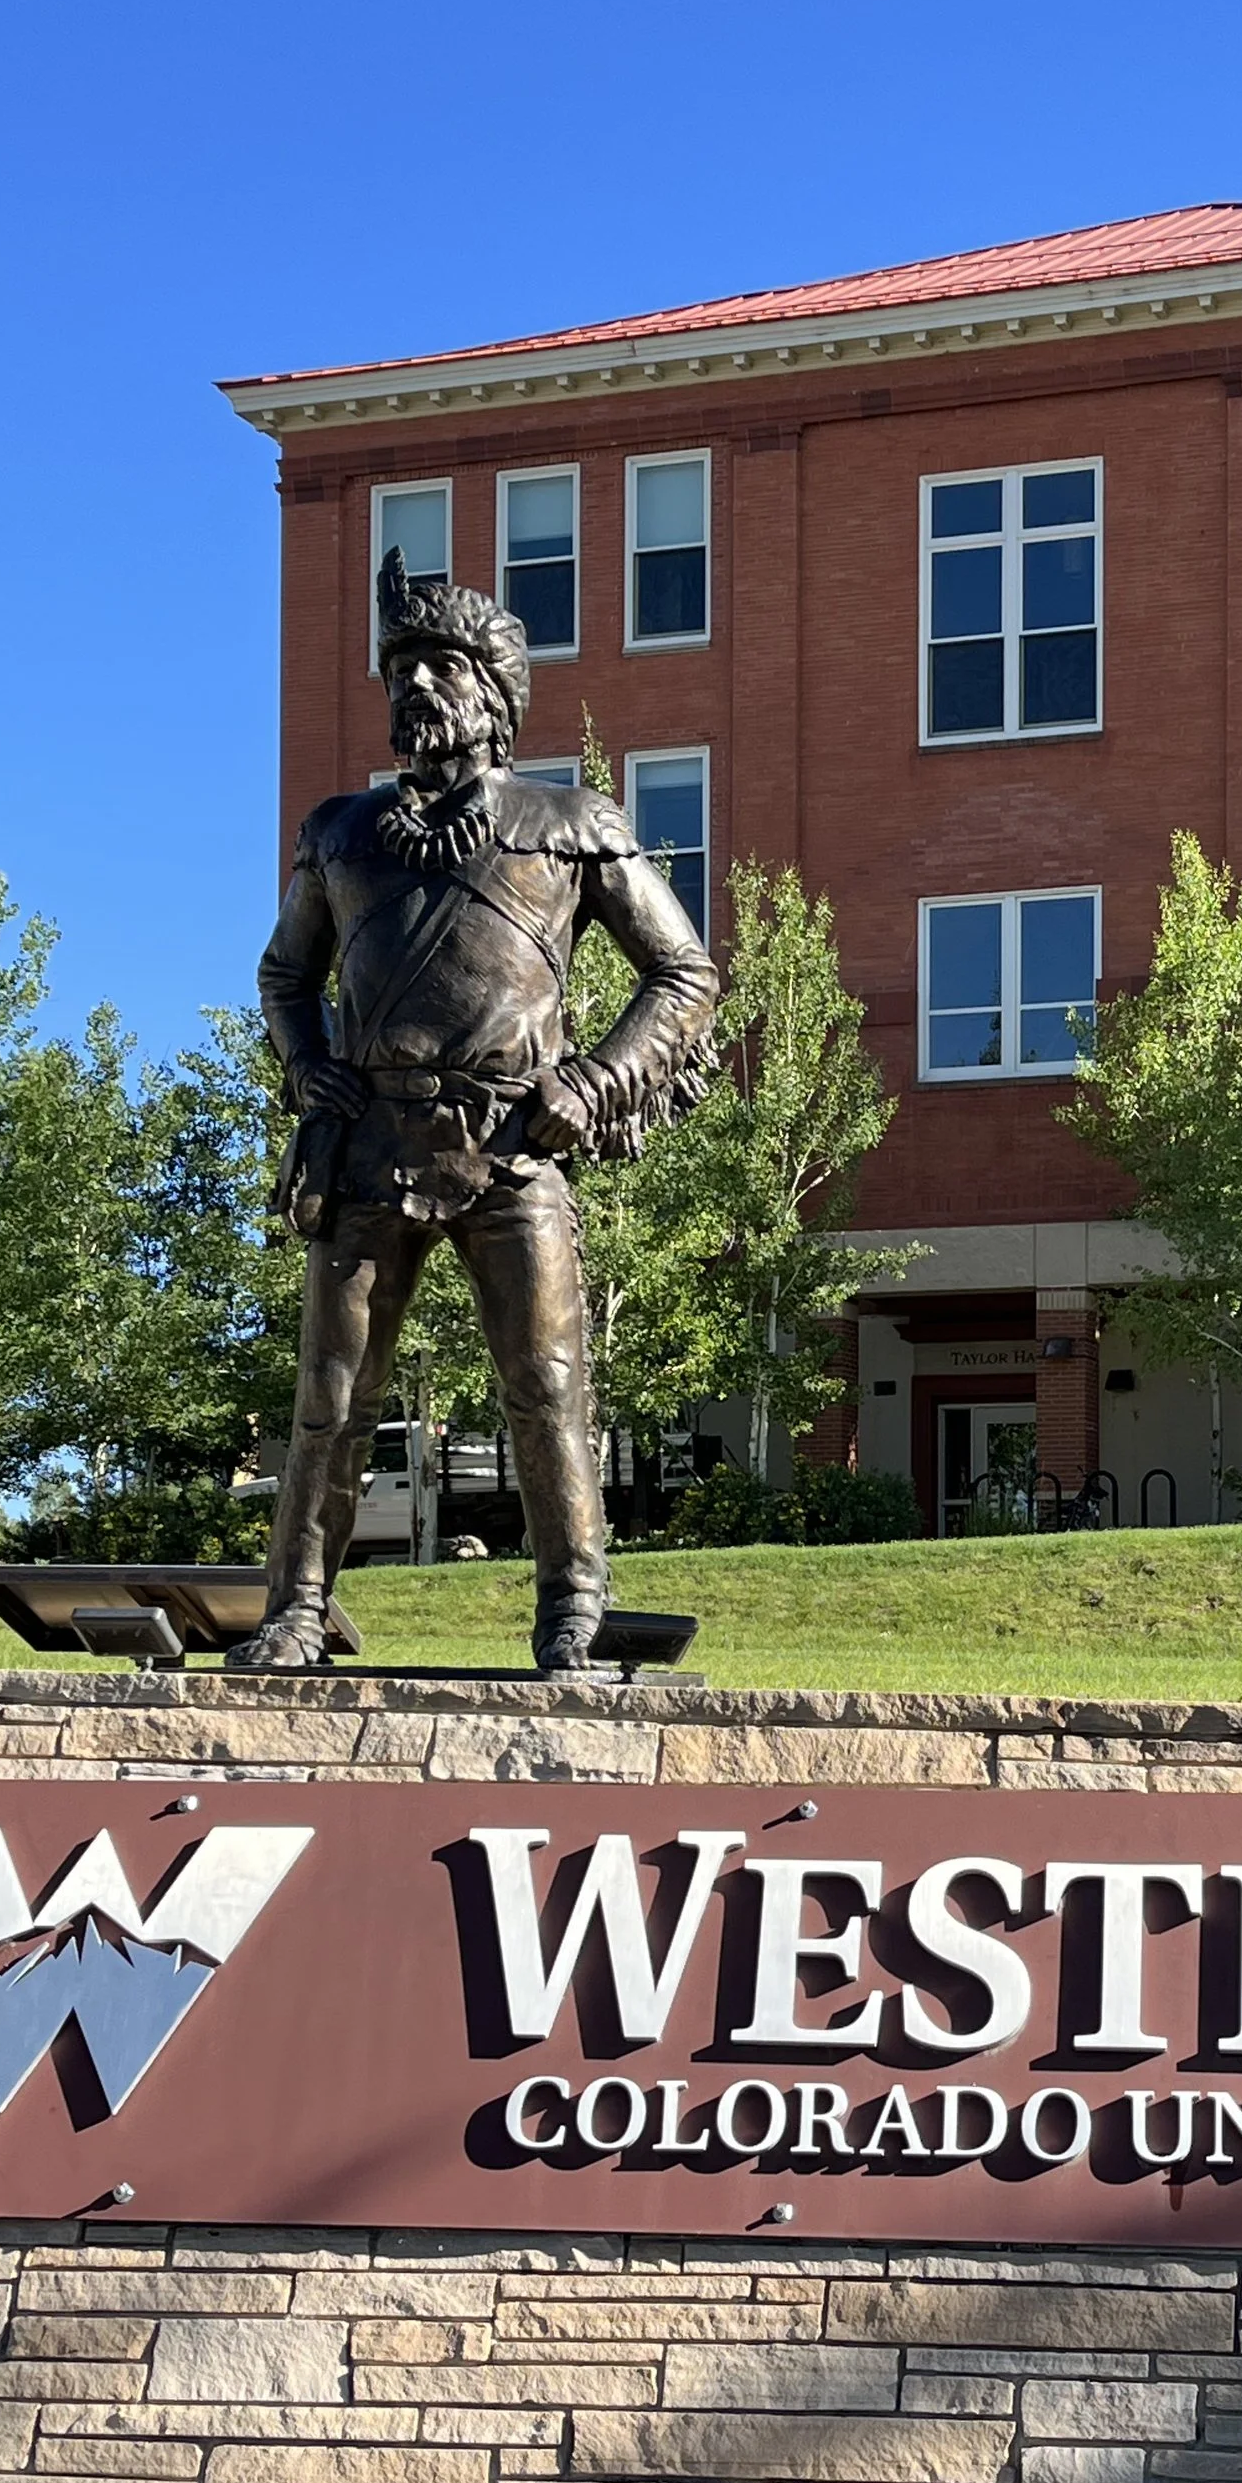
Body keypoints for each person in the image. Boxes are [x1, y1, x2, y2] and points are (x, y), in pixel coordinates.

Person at [228, 548, 717, 1672]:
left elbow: (683, 973)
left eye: (443, 667)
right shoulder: (339, 834)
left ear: (496, 698)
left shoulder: (571, 823)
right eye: (401, 667)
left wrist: (591, 1084)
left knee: (546, 1388)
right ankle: (298, 1607)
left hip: (509, 1148)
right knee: (330, 1397)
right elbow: (282, 976)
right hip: (368, 1148)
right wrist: (311, 1073)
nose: (416, 688)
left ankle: (572, 1612)